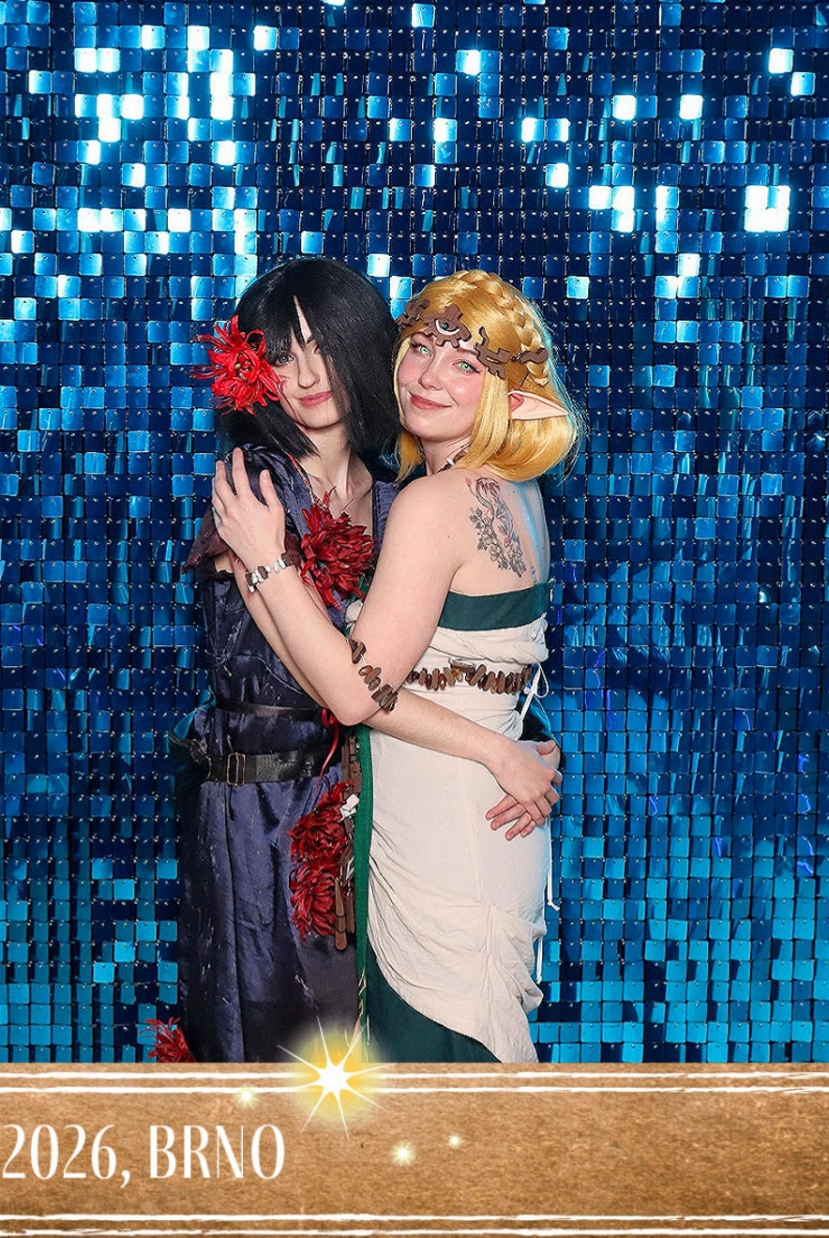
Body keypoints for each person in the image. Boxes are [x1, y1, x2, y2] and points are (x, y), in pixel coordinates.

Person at [172, 258, 561, 1064]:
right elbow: (351, 686)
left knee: (394, 1067)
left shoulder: (399, 497)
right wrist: (500, 748)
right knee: (286, 1062)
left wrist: (521, 738)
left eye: (324, 346)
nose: (308, 375)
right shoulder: (254, 495)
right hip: (267, 822)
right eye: (283, 356)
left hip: (387, 817)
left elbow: (440, 659)